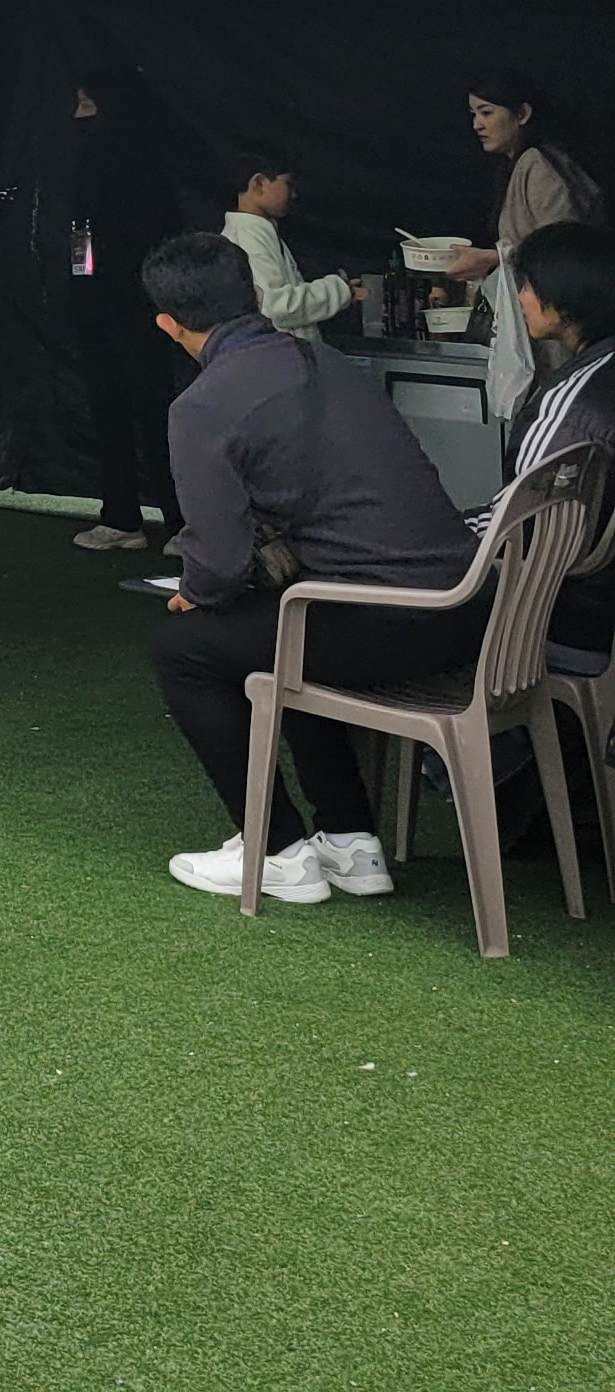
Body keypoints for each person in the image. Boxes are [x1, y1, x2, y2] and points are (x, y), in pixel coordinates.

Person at [142, 230, 485, 905]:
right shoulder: (329, 363)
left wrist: (194, 593)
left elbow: (217, 564)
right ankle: (350, 842)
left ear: (167, 325)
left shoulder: (204, 405)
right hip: (466, 607)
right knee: (290, 625)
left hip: (388, 621)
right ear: (255, 295)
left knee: (183, 650)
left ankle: (276, 850)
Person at [68, 77, 186, 556]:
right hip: (116, 308)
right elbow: (82, 235)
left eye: (86, 103)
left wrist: (87, 281)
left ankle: (176, 524)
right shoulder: (99, 163)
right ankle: (126, 518)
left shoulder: (135, 165)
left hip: (136, 309)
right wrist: (84, 284)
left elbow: (87, 235)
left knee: (150, 414)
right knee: (117, 411)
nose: (78, 115)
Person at [438, 71, 604, 390]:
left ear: (522, 114)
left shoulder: (538, 165)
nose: (477, 125)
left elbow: (562, 249)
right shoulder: (519, 164)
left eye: (487, 113)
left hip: (562, 327)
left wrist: (491, 258)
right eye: (473, 114)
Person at [499, 221, 615, 661]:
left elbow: (518, 525)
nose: (521, 298)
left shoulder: (571, 406)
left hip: (566, 616)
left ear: (564, 296)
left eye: (528, 286)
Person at [220, 150, 352, 335]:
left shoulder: (260, 232)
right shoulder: (245, 240)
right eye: (289, 184)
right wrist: (341, 291)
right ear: (259, 184)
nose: (294, 194)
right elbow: (275, 307)